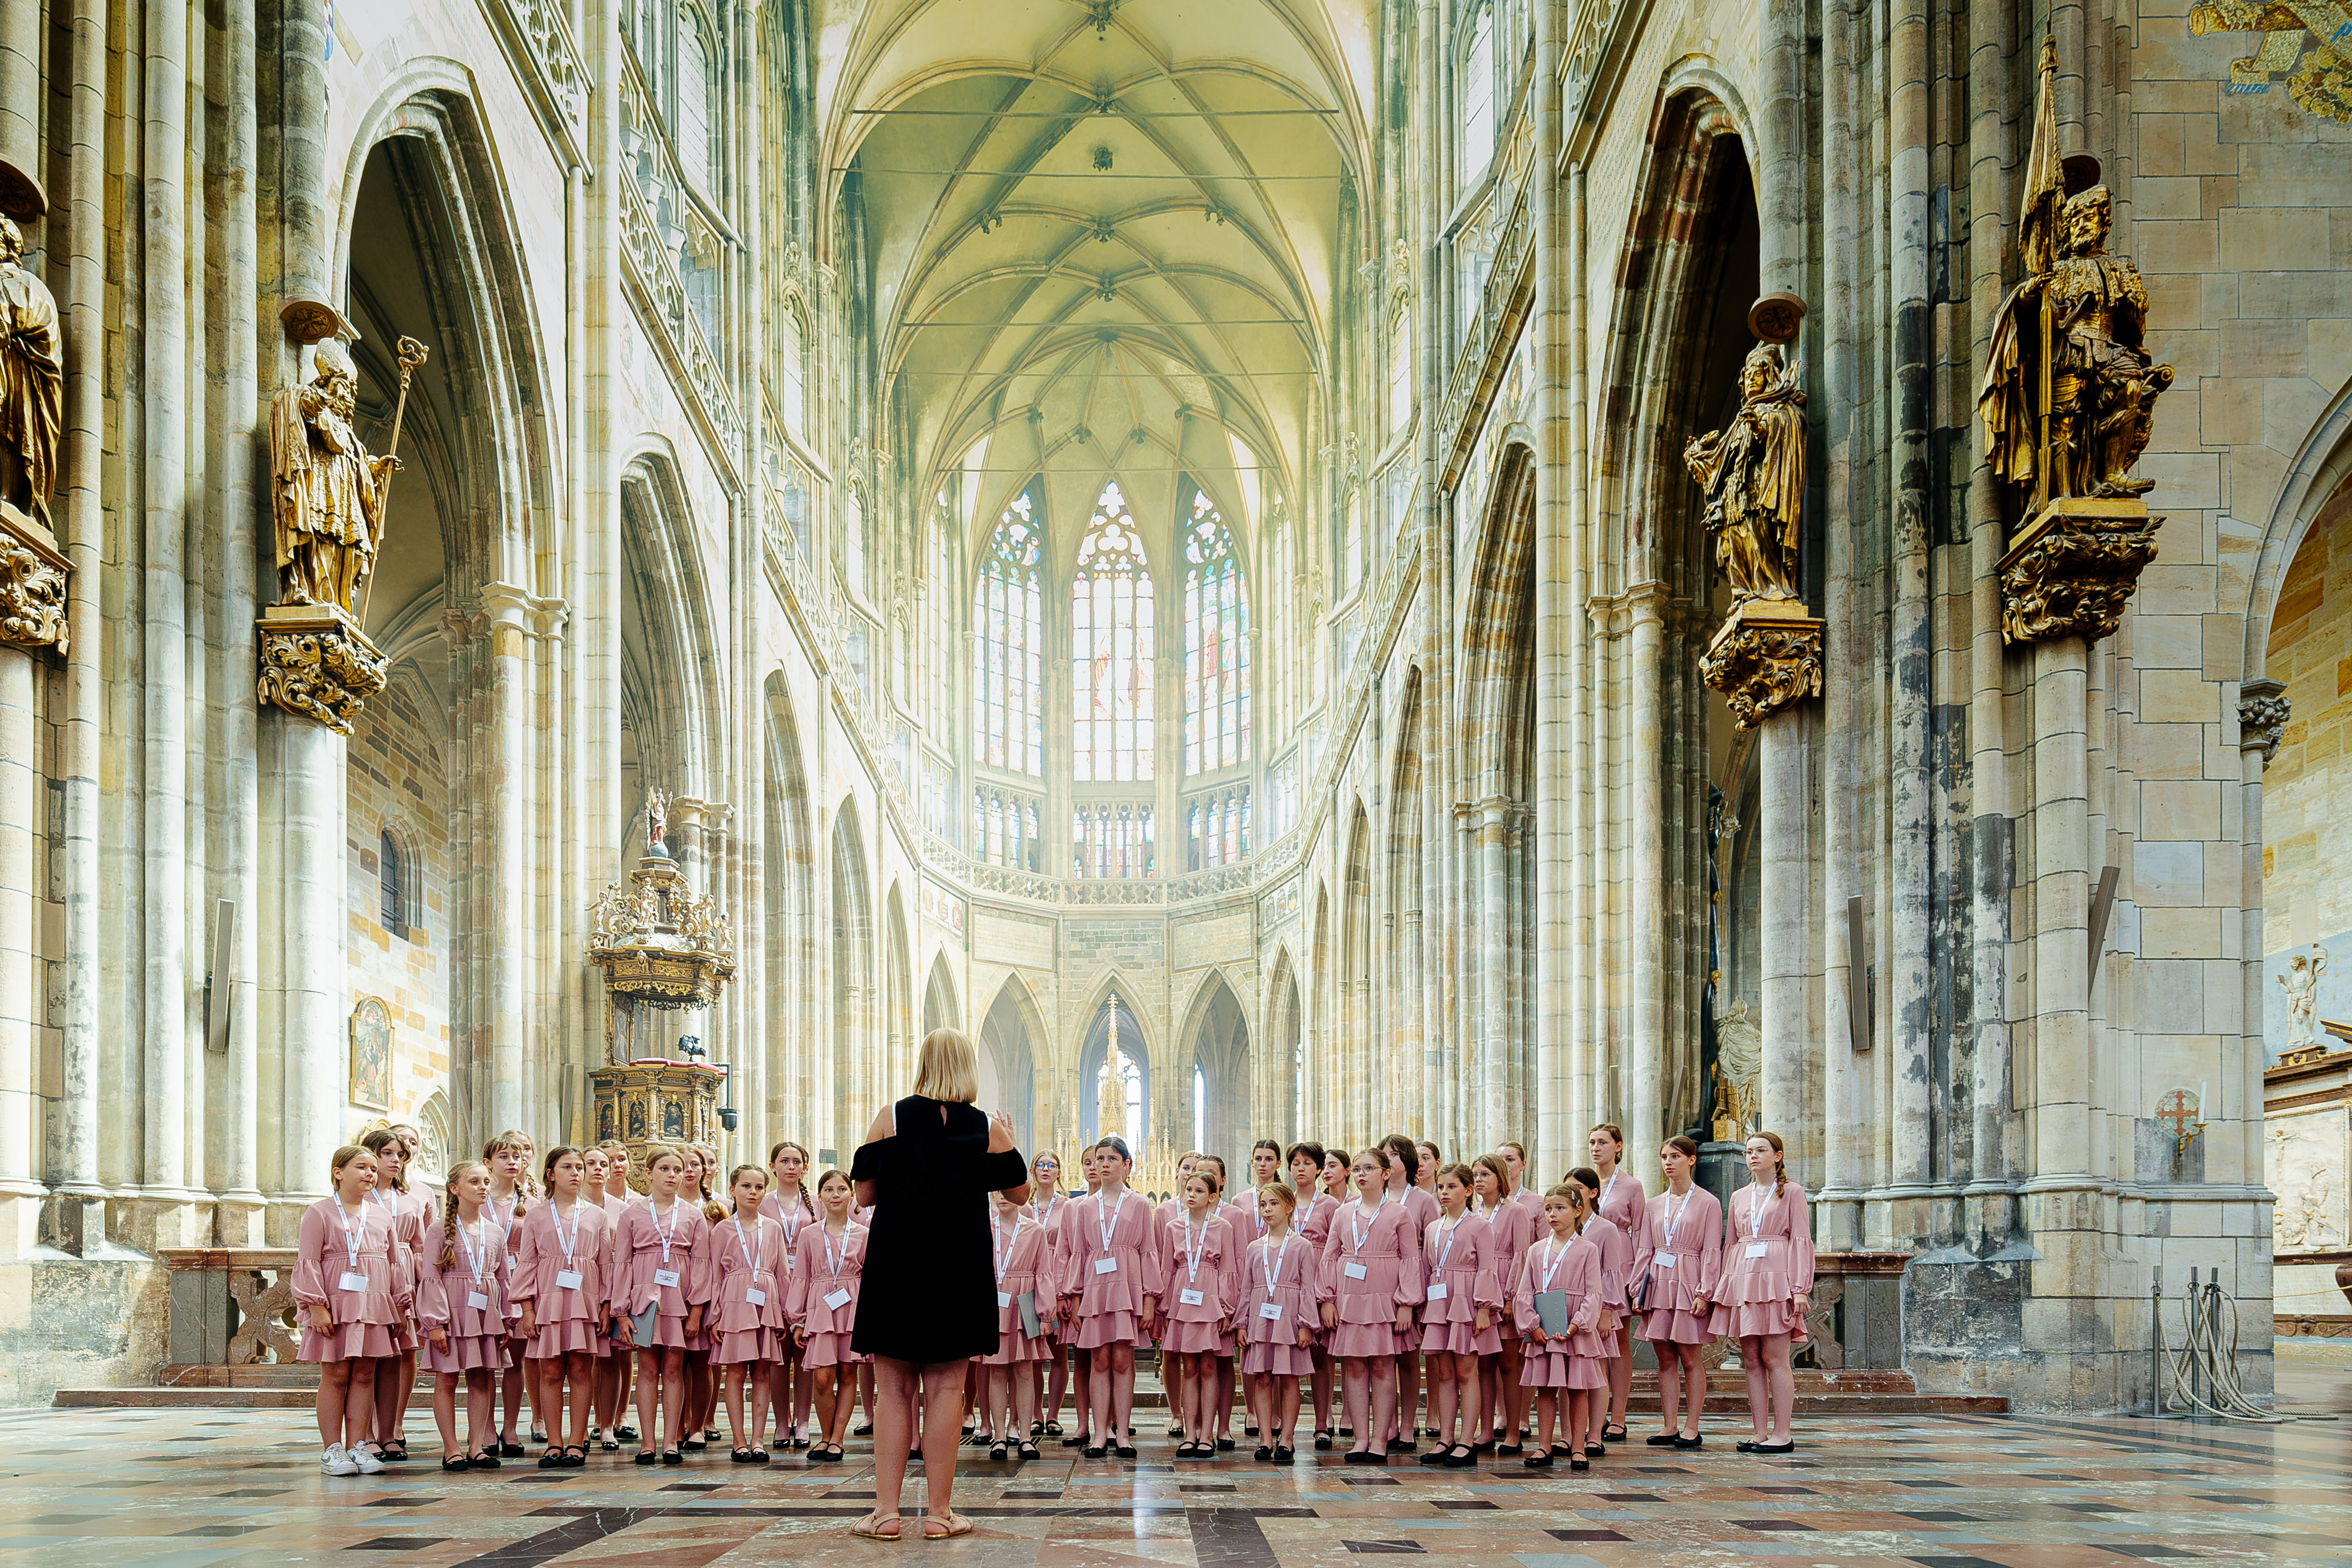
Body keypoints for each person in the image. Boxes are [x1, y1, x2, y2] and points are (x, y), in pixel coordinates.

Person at [848, 1027, 1031, 1541]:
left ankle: (885, 1513)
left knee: (893, 1389)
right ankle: (939, 1513)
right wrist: (1009, 1140)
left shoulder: (893, 1117)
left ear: (924, 1062)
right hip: (959, 1265)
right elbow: (1019, 1191)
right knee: (949, 1387)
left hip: (897, 1262)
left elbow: (863, 1195)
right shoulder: (985, 1128)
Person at [295, 1144, 402, 1476]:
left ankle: (358, 1445)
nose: (370, 1173)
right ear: (338, 1172)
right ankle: (332, 1449)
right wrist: (315, 1305)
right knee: (337, 1373)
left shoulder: (382, 1214)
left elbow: (394, 1262)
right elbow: (308, 1261)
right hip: (335, 1304)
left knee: (365, 1374)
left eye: (373, 1168)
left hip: (373, 1304)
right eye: (362, 1167)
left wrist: (398, 1305)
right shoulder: (320, 1212)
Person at [1709, 1131, 1814, 1454]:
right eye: (1749, 1151)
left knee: (1775, 1358)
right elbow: (1731, 1243)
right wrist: (1726, 1285)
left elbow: (1801, 1239)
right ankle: (1759, 1432)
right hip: (1744, 1276)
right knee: (1751, 1359)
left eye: (1761, 1150)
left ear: (1777, 1156)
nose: (1753, 1156)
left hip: (1776, 1279)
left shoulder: (1792, 1192)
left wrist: (1800, 1288)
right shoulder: (1739, 1196)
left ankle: (1783, 1432)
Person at [1058, 1134, 1161, 1459]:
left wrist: (1149, 1300)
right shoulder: (1084, 1207)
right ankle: (1099, 1433)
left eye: (1112, 1159)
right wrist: (1074, 1298)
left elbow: (1148, 1252)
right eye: (1100, 1158)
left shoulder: (1141, 1204)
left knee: (1122, 1359)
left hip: (1127, 1288)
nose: (1104, 1164)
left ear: (1127, 1165)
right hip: (1095, 1290)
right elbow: (1079, 1253)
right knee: (1099, 1359)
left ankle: (1123, 1433)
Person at [1318, 1145, 1421, 1464]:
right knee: (1353, 1365)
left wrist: (1406, 1303)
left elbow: (1411, 1259)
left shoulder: (1399, 1213)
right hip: (1350, 1297)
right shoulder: (1342, 1212)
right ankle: (1361, 1438)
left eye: (1369, 1168)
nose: (1361, 1174)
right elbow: (1329, 1257)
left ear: (1385, 1174)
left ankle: (1380, 1439)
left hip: (1384, 1296)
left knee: (1381, 1364)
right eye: (1358, 1169)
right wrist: (1327, 1299)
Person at [513, 1146, 612, 1468]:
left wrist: (607, 1305)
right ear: (551, 1173)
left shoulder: (597, 1215)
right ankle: (554, 1441)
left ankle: (576, 1440)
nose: (576, 1173)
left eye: (579, 1166)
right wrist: (527, 1309)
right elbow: (527, 1263)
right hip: (549, 1300)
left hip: (585, 1300)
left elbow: (606, 1264)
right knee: (551, 1370)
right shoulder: (537, 1215)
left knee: (582, 1370)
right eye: (567, 1167)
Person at [612, 1142, 707, 1464]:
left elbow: (701, 1263)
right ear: (648, 1173)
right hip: (644, 1299)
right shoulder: (631, 1214)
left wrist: (696, 1310)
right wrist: (621, 1311)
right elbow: (622, 1263)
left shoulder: (694, 1215)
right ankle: (648, 1442)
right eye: (665, 1169)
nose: (672, 1175)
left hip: (679, 1299)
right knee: (649, 1368)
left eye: (678, 1170)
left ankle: (671, 1441)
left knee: (674, 1368)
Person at [416, 1160, 509, 1471]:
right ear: (455, 1189)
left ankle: (476, 1445)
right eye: (474, 1181)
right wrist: (436, 1323)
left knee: (482, 1377)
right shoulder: (438, 1230)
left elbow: (503, 1277)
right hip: (451, 1310)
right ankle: (451, 1447)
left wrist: (506, 1318)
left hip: (484, 1312)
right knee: (448, 1378)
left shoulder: (495, 1231)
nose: (483, 1187)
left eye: (486, 1181)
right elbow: (430, 1276)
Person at [1634, 1135, 1722, 1450]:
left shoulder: (1709, 1202)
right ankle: (1669, 1424)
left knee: (1690, 1357)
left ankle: (1692, 1425)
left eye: (1675, 1156)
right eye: (1664, 1156)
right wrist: (1637, 1288)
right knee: (1665, 1358)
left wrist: (1705, 1291)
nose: (1668, 1162)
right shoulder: (1654, 1204)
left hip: (1689, 1281)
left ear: (1692, 1159)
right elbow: (1645, 1248)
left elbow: (1713, 1250)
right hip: (1658, 1282)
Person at [1516, 1183, 1607, 1471]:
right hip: (1545, 1329)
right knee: (1545, 1388)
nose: (1553, 1214)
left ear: (1578, 1211)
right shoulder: (1536, 1249)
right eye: (1548, 1208)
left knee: (1578, 1389)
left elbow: (1594, 1292)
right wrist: (1532, 1324)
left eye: (1560, 1208)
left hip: (1573, 1330)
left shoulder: (1588, 1249)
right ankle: (1544, 1445)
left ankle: (1578, 1447)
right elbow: (1524, 1291)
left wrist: (1578, 1323)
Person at [702, 1163, 787, 1464]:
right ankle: (738, 1440)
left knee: (763, 1372)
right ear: (732, 1190)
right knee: (737, 1372)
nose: (753, 1192)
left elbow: (783, 1274)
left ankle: (758, 1439)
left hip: (766, 1301)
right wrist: (714, 1315)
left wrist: (786, 1315)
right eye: (746, 1186)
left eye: (759, 1186)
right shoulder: (723, 1229)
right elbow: (714, 1274)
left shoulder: (773, 1227)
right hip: (735, 1302)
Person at [1418, 1162, 1498, 1469]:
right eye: (1441, 1187)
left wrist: (1483, 1308)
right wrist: (1425, 1307)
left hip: (1467, 1302)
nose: (1444, 1192)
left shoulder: (1480, 1226)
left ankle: (1468, 1439)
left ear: (1467, 1190)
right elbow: (1428, 1269)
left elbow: (1487, 1268)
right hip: (1440, 1302)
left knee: (1467, 1371)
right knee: (1444, 1373)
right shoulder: (1433, 1227)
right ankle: (1446, 1437)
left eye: (1452, 1186)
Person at [790, 1167, 870, 1461]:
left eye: (841, 1189)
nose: (835, 1195)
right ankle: (824, 1435)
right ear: (820, 1196)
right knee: (822, 1377)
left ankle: (837, 1438)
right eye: (829, 1190)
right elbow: (801, 1277)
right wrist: (798, 1319)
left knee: (848, 1372)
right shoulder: (809, 1234)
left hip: (853, 1306)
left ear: (851, 1194)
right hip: (822, 1307)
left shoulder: (864, 1234)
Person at [358, 1127, 425, 1463]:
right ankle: (365, 1430)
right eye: (387, 1153)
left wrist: (421, 1285)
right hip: (371, 1273)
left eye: (399, 1154)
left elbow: (421, 1245)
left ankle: (393, 1425)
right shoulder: (360, 1196)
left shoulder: (411, 1197)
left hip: (403, 1273)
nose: (395, 1159)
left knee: (401, 1352)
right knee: (370, 1355)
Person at [1238, 1181, 1318, 1463]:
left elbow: (1309, 1286)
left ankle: (1287, 1438)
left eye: (1273, 1203)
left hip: (1289, 1319)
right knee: (1262, 1376)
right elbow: (1247, 1288)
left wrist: (1307, 1323)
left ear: (1288, 1206)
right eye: (1263, 1204)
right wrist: (1243, 1323)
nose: (1267, 1209)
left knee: (1289, 1377)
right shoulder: (1253, 1247)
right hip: (1261, 1318)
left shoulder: (1302, 1246)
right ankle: (1265, 1438)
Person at [1163, 1167, 1238, 1459]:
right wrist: (1167, 1308)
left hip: (1210, 1301)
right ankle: (1191, 1432)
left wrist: (1226, 1308)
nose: (1191, 1195)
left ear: (1213, 1197)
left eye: (1198, 1191)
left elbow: (1228, 1269)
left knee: (1208, 1366)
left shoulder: (1223, 1227)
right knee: (1189, 1368)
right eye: (1188, 1190)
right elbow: (1168, 1270)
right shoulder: (1173, 1226)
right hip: (1183, 1302)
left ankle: (1208, 1432)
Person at [979, 1187, 1052, 1460]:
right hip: (992, 1305)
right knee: (997, 1373)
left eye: (1007, 1190)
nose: (1002, 1195)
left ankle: (1024, 1437)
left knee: (1024, 1372)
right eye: (996, 1191)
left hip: (1025, 1304)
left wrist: (1046, 1314)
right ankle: (999, 1436)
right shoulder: (984, 1229)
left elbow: (1044, 1272)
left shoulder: (1035, 1231)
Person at [1586, 1124, 1645, 1443]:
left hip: (1619, 1263)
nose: (1596, 1148)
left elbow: (1642, 1231)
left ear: (1618, 1147)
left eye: (1603, 1142)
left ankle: (1618, 1416)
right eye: (1592, 1142)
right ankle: (1595, 1411)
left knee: (1618, 1342)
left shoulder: (1631, 1185)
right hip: (1586, 1262)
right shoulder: (1583, 1182)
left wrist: (1637, 1277)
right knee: (1591, 1341)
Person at [1471, 1153, 1533, 1453]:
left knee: (1509, 1365)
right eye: (1476, 1175)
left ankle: (1513, 1430)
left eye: (1485, 1174)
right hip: (1480, 1296)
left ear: (1499, 1178)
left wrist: (1511, 1298)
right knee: (1483, 1365)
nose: (1479, 1180)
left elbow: (1522, 1256)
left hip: (1505, 1294)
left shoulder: (1516, 1211)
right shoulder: (1472, 1212)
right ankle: (1485, 1430)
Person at [1568, 1164, 1631, 1457]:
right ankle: (1570, 1434)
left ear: (1592, 1193)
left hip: (1598, 1307)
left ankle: (1595, 1434)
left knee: (1597, 1371)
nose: (1573, 1196)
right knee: (1570, 1373)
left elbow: (1611, 1273)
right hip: (1570, 1310)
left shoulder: (1605, 1229)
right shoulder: (1563, 1225)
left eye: (1578, 1190)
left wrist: (1607, 1311)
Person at [763, 1139, 819, 1448]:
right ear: (773, 1166)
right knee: (779, 1358)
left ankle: (803, 1421)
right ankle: (781, 1421)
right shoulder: (764, 1201)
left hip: (809, 1282)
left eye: (796, 1162)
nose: (791, 1167)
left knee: (805, 1355)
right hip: (774, 1281)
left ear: (805, 1167)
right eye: (784, 1161)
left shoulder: (815, 1203)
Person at [1025, 1150, 1070, 1438]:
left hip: (1056, 1280)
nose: (1046, 1169)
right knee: (1032, 1356)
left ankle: (1053, 1413)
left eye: (1051, 1165)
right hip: (1029, 1282)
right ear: (1033, 1170)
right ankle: (1035, 1413)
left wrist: (1063, 1291)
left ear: (1058, 1173)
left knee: (1057, 1354)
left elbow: (1069, 1249)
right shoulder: (1023, 1205)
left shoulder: (1068, 1206)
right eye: (1040, 1164)